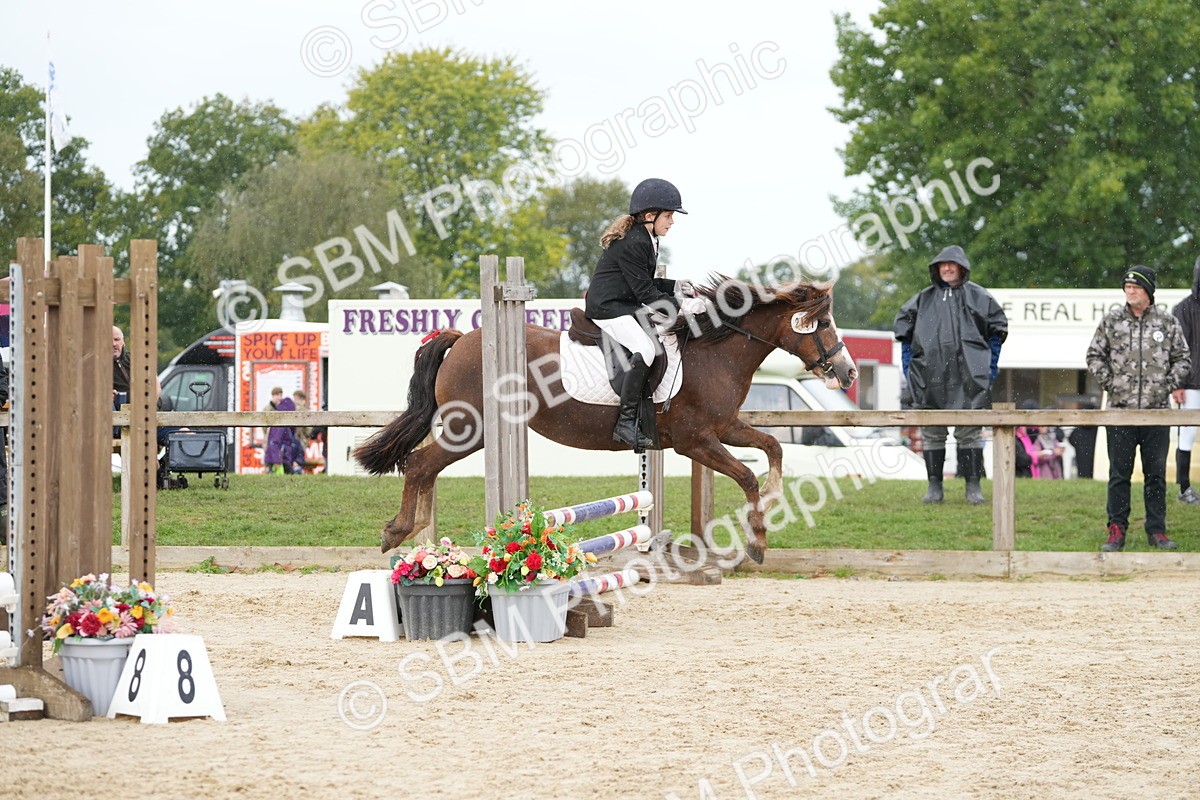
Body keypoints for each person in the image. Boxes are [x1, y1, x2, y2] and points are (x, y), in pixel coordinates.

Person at [584, 178, 704, 452]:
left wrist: (675, 285)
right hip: (607, 308)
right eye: (669, 215)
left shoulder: (647, 238)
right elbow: (644, 293)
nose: (672, 222)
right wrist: (683, 306)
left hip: (623, 303)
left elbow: (643, 282)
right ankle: (625, 422)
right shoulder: (635, 242)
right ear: (650, 216)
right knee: (646, 349)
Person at [893, 245, 1008, 505]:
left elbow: (996, 334)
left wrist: (988, 369)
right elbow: (904, 335)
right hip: (929, 379)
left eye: (951, 264)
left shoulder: (980, 298)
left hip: (970, 378)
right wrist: (909, 368)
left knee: (969, 433)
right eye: (941, 264)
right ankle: (935, 487)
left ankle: (973, 486)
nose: (946, 268)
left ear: (961, 267)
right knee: (932, 433)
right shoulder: (922, 299)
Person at [1086, 266, 1190, 551]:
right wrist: (1113, 384)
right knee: (1119, 474)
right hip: (1120, 411)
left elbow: (1183, 359)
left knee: (1155, 474)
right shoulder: (1112, 321)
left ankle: (1157, 531)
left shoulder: (1167, 322)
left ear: (1149, 291)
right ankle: (1116, 530)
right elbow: (1094, 356)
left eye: (1136, 287)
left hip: (1156, 412)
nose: (1130, 291)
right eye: (1127, 287)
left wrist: (1166, 385)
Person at [1171, 255, 1200, 503]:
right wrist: (1177, 384)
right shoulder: (1182, 309)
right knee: (1187, 434)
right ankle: (1184, 488)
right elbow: (1177, 350)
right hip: (1191, 384)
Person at [262, 387, 296, 474]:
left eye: (280, 395)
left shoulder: (281, 410)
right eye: (277, 395)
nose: (279, 397)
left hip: (277, 446)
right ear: (272, 396)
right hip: (274, 445)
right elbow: (266, 429)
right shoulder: (269, 410)